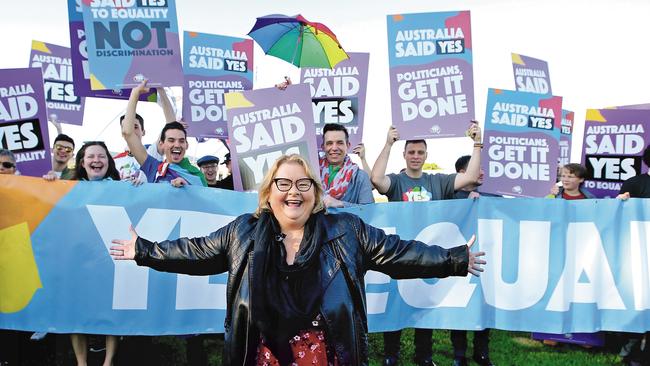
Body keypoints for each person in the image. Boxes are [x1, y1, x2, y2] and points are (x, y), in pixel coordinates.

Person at [110, 154, 486, 365]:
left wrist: (454, 259)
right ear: (269, 194)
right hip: (261, 356)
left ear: (315, 193)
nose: (294, 191)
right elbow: (193, 251)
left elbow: (401, 253)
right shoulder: (242, 231)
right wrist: (141, 249)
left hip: (331, 356)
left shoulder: (347, 231)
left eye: (303, 184)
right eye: (283, 184)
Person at [371, 123, 483, 366]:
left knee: (425, 304)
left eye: (420, 152)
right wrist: (389, 143)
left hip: (428, 257)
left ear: (426, 155)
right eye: (411, 152)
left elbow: (471, 177)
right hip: (399, 255)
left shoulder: (438, 181)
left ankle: (424, 356)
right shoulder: (398, 182)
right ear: (405, 154)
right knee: (396, 305)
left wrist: (477, 143)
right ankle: (391, 354)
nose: (415, 156)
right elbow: (377, 179)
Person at [71, 141, 121, 366]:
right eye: (91, 156)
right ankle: (82, 362)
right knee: (76, 313)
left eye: (102, 156)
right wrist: (50, 183)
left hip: (107, 261)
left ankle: (108, 361)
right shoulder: (68, 188)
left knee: (110, 310)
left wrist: (139, 183)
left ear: (108, 162)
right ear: (82, 162)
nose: (96, 160)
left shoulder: (121, 189)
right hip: (77, 262)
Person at [450, 155, 494, 366]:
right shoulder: (449, 196)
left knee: (483, 304)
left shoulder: (491, 198)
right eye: (477, 168)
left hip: (485, 261)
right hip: (460, 262)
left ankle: (482, 352)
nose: (482, 172)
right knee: (460, 304)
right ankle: (459, 354)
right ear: (462, 173)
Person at [122, 80, 206, 187]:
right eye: (171, 140)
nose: (177, 145)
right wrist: (135, 93)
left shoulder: (197, 175)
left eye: (181, 141)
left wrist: (188, 188)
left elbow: (201, 202)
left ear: (187, 145)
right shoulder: (153, 167)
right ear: (161, 144)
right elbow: (128, 133)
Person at [617, 146, 650, 366]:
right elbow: (618, 214)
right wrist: (620, 201)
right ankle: (630, 350)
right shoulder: (634, 183)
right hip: (640, 253)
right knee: (639, 302)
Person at [319, 123, 374, 207]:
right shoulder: (311, 172)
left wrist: (341, 204)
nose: (334, 148)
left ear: (348, 146)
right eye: (329, 143)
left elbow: (370, 211)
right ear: (323, 147)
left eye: (340, 143)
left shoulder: (360, 177)